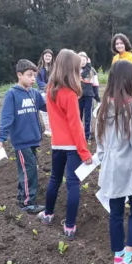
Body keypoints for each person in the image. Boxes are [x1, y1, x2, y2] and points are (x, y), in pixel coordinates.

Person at [93, 60, 132, 264]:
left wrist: (105, 158)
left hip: (110, 170)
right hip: (129, 170)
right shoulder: (131, 109)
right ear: (129, 81)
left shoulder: (101, 108)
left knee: (116, 213)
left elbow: (99, 143)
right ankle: (130, 259)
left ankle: (119, 256)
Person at [38, 49, 93, 241]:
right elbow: (76, 125)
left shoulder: (50, 87)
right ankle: (70, 226)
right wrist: (84, 152)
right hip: (71, 147)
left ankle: (48, 214)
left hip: (56, 143)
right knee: (72, 184)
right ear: (71, 69)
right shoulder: (69, 94)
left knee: (54, 179)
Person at [0, 59, 47, 213]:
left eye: (34, 76)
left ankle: (22, 196)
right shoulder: (12, 94)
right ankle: (27, 203)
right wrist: (1, 138)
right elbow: (7, 117)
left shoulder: (34, 93)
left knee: (28, 170)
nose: (33, 79)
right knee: (28, 170)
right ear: (19, 75)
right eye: (29, 75)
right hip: (21, 140)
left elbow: (46, 107)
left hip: (33, 139)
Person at [78, 52, 101, 141]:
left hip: (89, 96)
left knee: (88, 117)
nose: (82, 62)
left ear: (87, 60)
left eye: (84, 60)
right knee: (78, 116)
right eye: (80, 60)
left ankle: (87, 136)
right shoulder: (74, 70)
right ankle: (79, 135)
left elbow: (95, 84)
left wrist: (97, 96)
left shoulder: (92, 70)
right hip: (78, 96)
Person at [36, 49, 54, 136]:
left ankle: (53, 127)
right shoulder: (38, 68)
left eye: (49, 56)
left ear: (52, 57)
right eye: (46, 56)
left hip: (53, 91)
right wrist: (47, 87)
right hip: (42, 91)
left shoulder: (54, 68)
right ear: (43, 56)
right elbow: (38, 81)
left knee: (53, 110)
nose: (48, 57)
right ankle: (47, 128)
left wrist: (51, 87)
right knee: (44, 111)